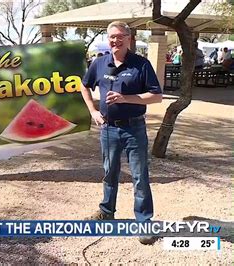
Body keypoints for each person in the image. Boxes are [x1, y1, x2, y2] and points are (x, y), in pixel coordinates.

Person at [80, 21, 162, 245]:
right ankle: (107, 211)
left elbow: (156, 96)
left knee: (139, 176)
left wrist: (126, 98)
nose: (114, 41)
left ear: (129, 38)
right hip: (108, 128)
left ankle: (144, 222)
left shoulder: (141, 64)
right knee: (110, 173)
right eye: (111, 37)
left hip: (134, 127)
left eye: (119, 37)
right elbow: (83, 85)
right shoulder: (99, 63)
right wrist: (93, 111)